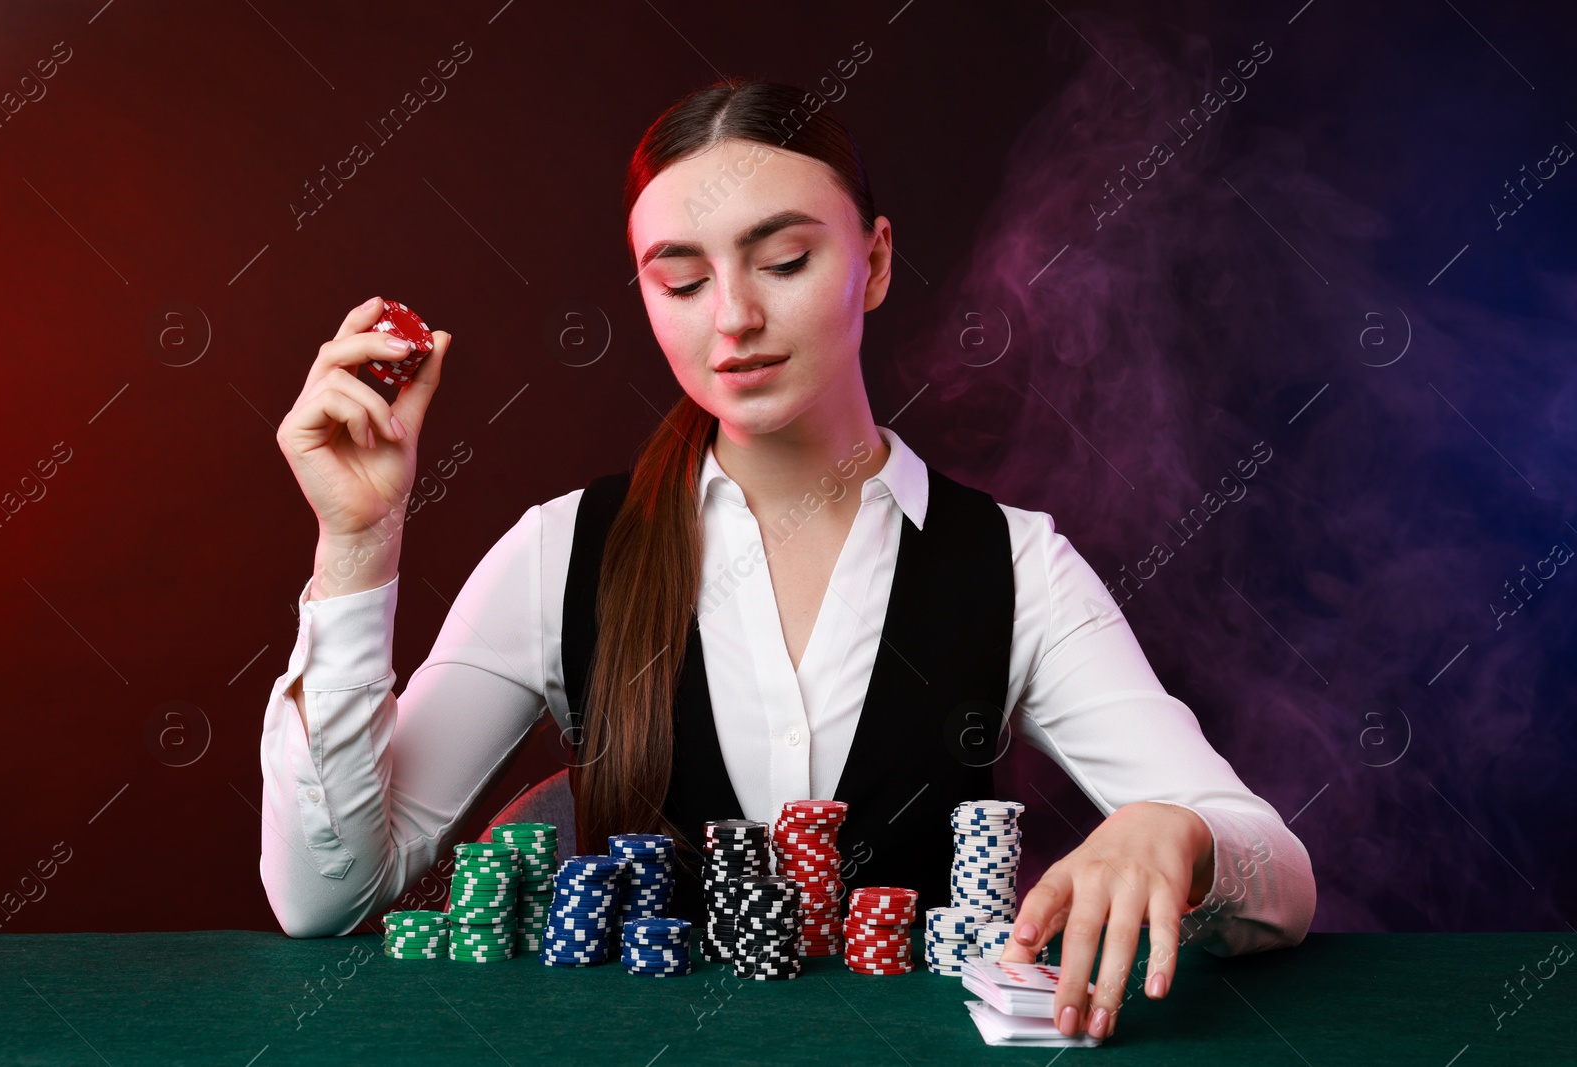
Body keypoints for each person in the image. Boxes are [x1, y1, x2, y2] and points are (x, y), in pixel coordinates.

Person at [259, 78, 1315, 1041]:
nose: (735, 318)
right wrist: (357, 545)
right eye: (680, 280)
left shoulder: (1015, 565)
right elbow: (325, 895)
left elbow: (1281, 880)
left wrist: (1175, 832)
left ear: (878, 261)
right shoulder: (557, 552)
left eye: (785, 260)